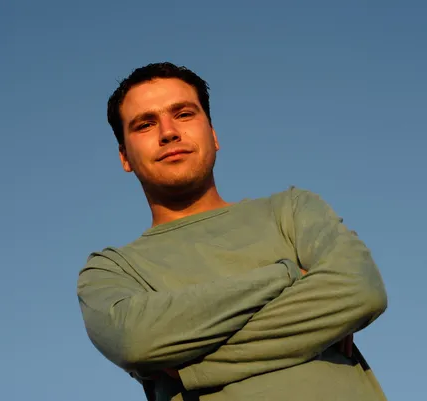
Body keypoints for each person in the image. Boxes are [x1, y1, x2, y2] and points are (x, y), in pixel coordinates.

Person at [77, 62, 388, 401]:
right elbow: (135, 341)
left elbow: (361, 290)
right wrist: (287, 276)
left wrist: (190, 366)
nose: (168, 132)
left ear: (213, 134)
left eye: (183, 114)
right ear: (124, 156)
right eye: (145, 124)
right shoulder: (111, 270)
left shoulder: (291, 209)